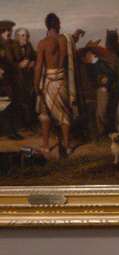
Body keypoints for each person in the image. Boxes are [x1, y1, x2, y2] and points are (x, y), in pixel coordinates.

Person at [34, 13, 79, 156]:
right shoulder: (65, 40)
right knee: (65, 113)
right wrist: (78, 33)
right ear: (58, 24)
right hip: (62, 82)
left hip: (48, 83)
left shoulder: (43, 42)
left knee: (45, 113)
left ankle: (46, 146)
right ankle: (68, 146)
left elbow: (38, 67)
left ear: (47, 26)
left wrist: (36, 87)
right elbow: (74, 39)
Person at [80, 46, 119, 137]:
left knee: (102, 112)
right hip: (99, 90)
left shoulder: (101, 63)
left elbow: (111, 74)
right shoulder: (91, 65)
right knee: (98, 114)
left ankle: (112, 132)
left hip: (104, 90)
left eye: (86, 56)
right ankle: (102, 135)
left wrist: (106, 87)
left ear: (91, 54)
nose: (85, 58)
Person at [12, 27, 36, 126]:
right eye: (23, 35)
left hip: (28, 77)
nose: (26, 37)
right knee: (21, 97)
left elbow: (35, 57)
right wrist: (20, 65)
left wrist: (31, 61)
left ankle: (30, 121)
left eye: (27, 35)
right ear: (17, 37)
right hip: (16, 77)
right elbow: (10, 63)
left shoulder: (29, 45)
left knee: (31, 94)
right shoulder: (11, 47)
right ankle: (23, 121)